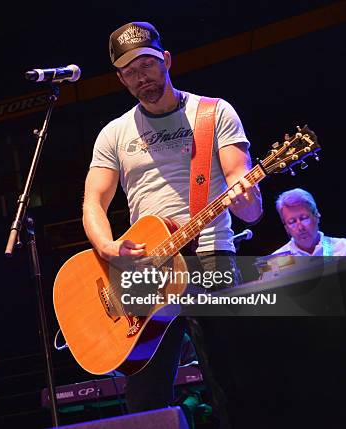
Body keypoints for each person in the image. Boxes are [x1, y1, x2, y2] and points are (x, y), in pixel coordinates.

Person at [82, 22, 263, 426]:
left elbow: (248, 203)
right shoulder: (113, 133)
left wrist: (245, 194)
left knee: (231, 379)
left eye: (146, 64)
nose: (140, 77)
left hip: (210, 256)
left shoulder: (213, 112)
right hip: (144, 268)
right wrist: (108, 247)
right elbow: (94, 200)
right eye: (129, 71)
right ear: (120, 78)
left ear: (166, 60)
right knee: (144, 396)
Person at [272, 188, 346, 256]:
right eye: (292, 222)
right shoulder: (275, 262)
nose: (300, 227)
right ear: (286, 228)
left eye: (304, 218)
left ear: (317, 215)